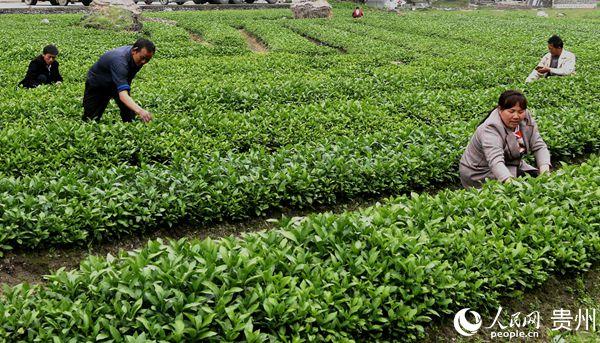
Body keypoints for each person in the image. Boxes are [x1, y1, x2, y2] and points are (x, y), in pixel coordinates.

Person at [459, 90, 551, 189]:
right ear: (500, 109)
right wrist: (511, 185)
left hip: (509, 164)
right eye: (511, 111)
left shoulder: (525, 117)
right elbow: (495, 161)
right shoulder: (490, 128)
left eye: (520, 112)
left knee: (536, 178)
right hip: (480, 173)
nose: (516, 116)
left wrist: (545, 172)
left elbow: (539, 145)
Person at [83, 38, 155, 123]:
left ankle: (131, 130)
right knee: (90, 119)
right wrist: (140, 111)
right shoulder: (120, 61)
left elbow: (126, 82)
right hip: (98, 83)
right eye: (143, 58)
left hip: (117, 82)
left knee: (129, 114)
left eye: (147, 59)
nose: (144, 62)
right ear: (134, 51)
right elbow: (123, 95)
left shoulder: (138, 58)